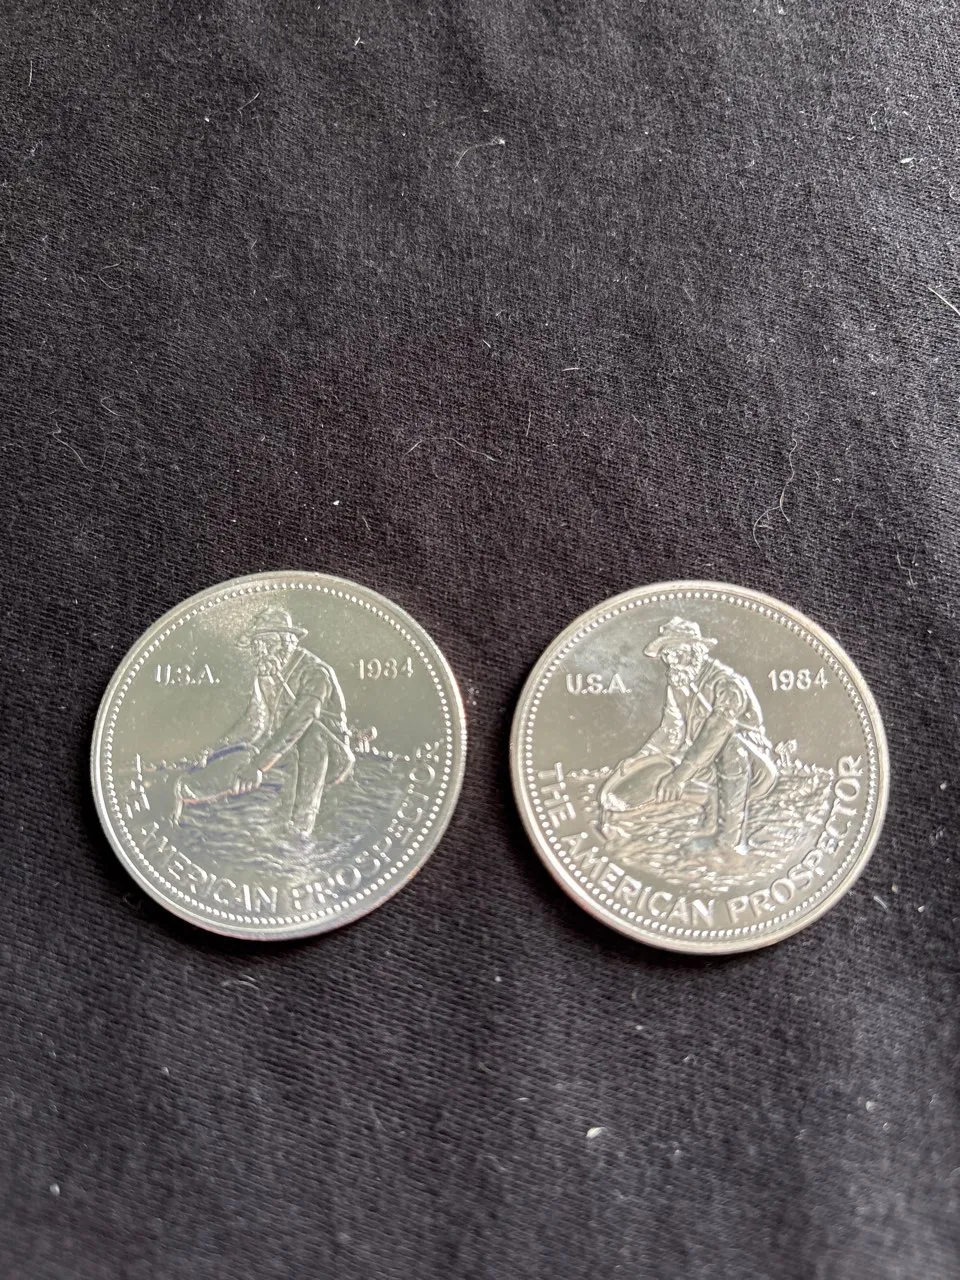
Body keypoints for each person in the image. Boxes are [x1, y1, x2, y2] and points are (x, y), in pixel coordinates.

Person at [599, 617, 778, 856]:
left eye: (676, 653)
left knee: (730, 745)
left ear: (696, 651)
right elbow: (670, 731)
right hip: (704, 762)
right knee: (654, 769)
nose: (670, 661)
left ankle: (730, 841)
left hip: (751, 769)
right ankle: (703, 818)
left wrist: (680, 776)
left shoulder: (728, 684)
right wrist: (641, 757)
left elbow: (717, 730)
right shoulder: (677, 685)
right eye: (666, 655)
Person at [224, 606, 355, 837]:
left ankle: (302, 824)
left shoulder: (316, 672)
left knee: (311, 732)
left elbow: (301, 719)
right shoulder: (265, 675)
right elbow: (255, 721)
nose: (261, 651)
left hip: (326, 754)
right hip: (284, 752)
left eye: (268, 643)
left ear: (288, 642)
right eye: (256, 645)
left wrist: (258, 765)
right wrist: (220, 747)